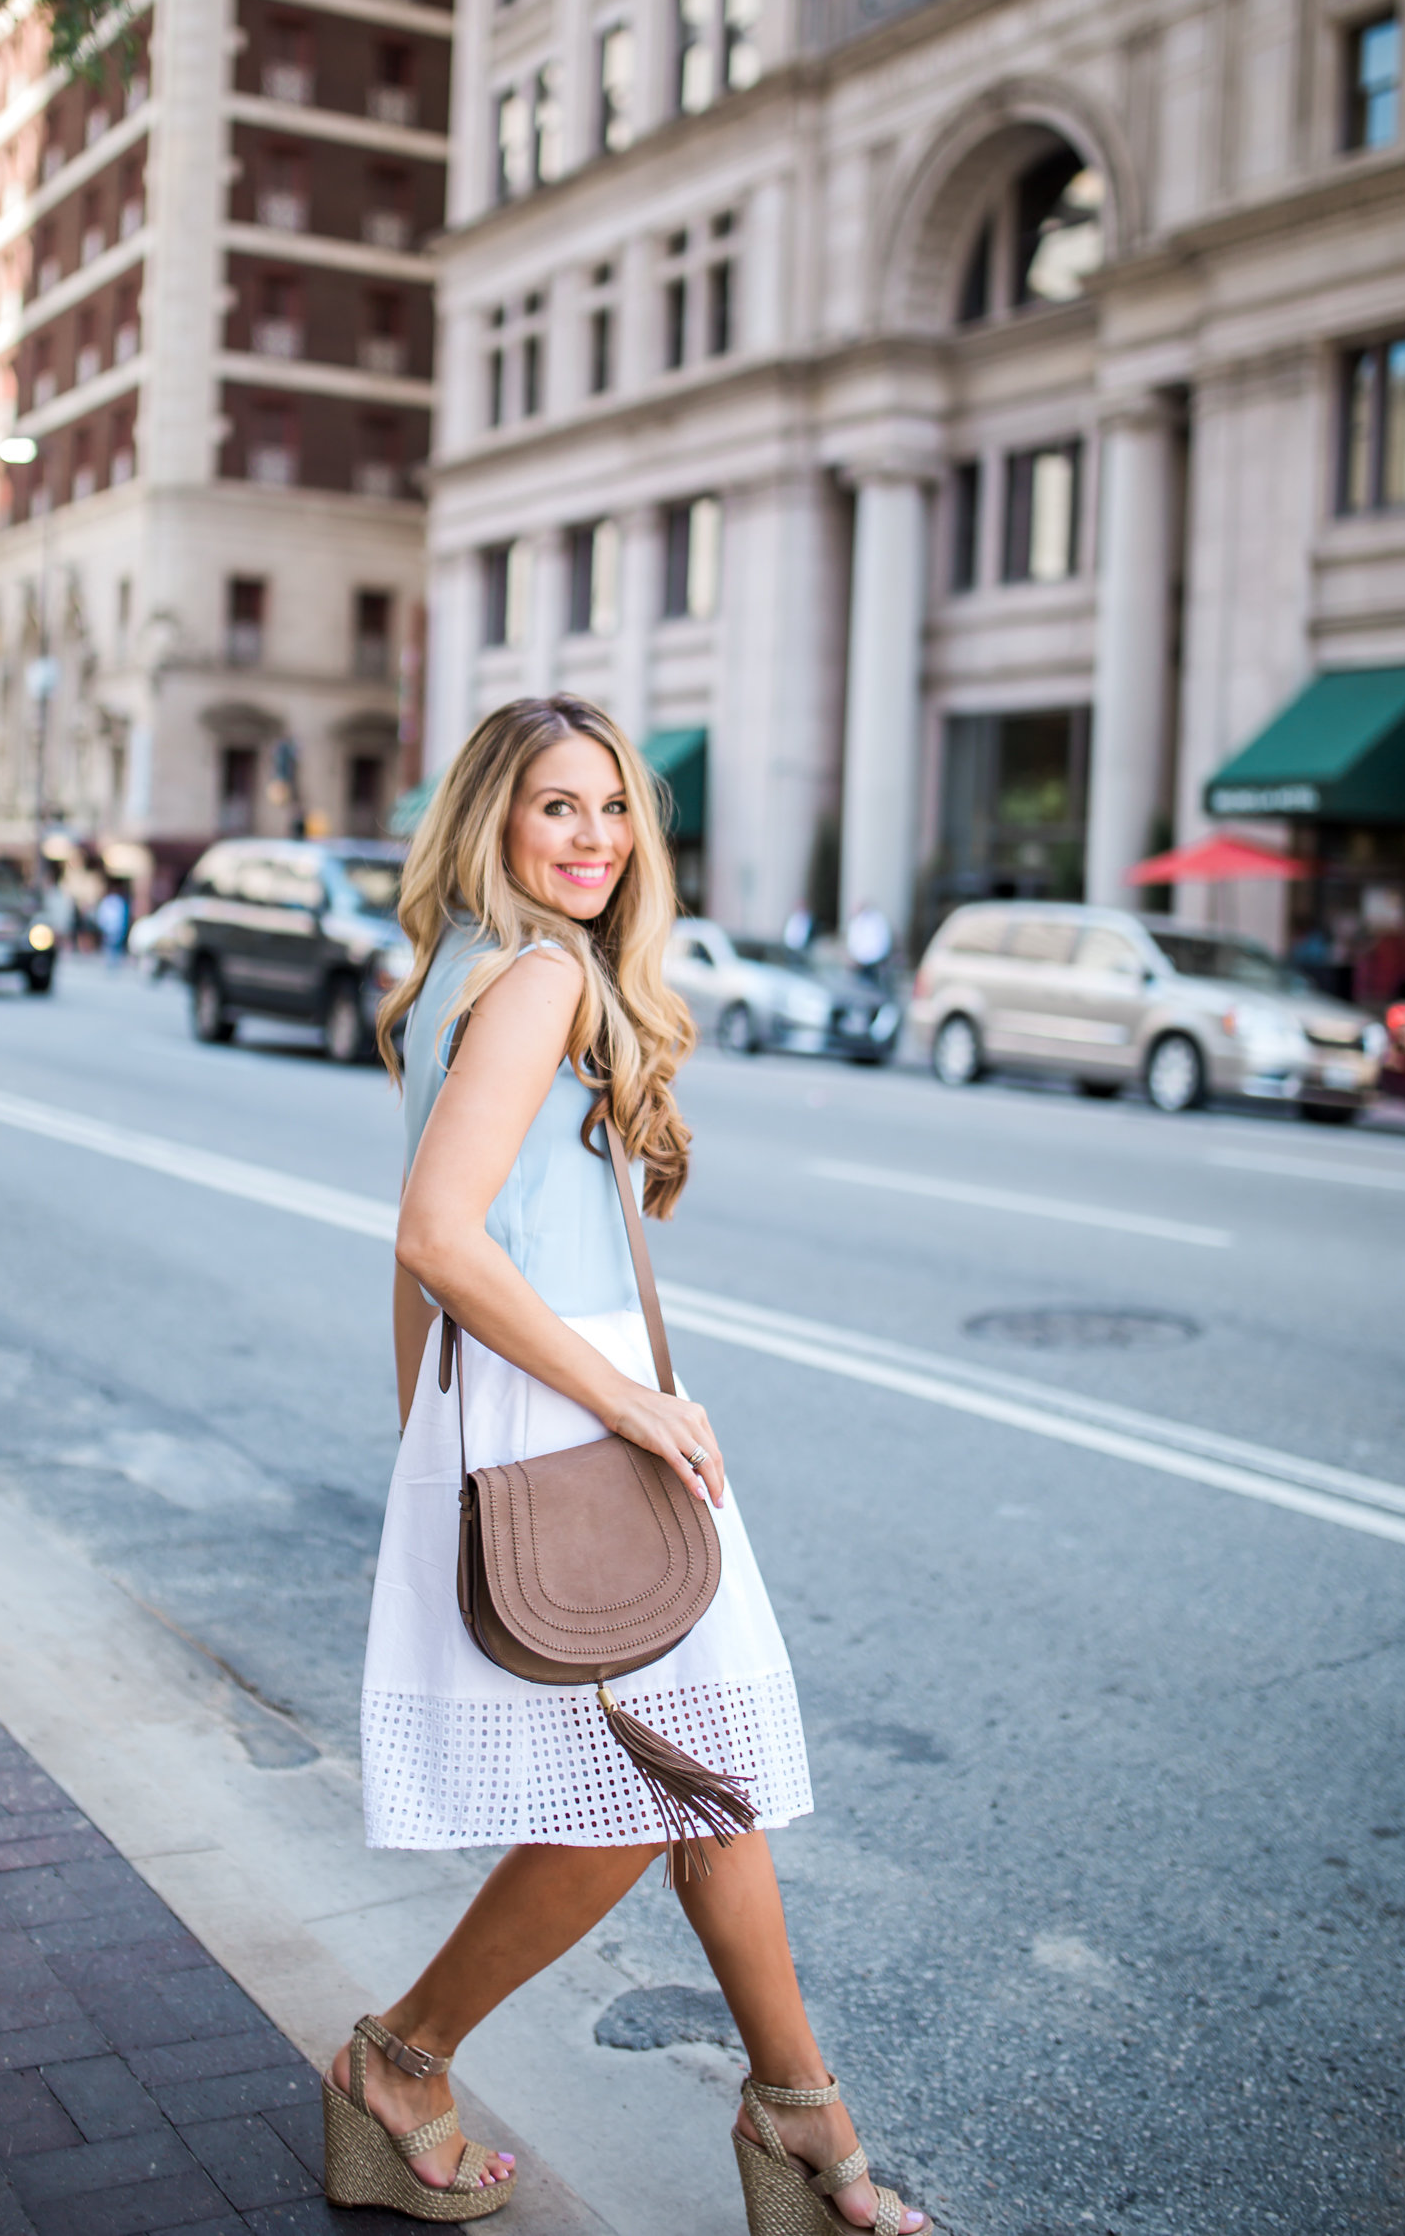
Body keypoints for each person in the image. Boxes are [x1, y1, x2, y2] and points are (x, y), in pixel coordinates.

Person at [321, 695, 930, 2236]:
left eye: (614, 811)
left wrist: (433, 1443)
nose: (592, 839)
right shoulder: (535, 977)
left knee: (704, 1769)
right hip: (574, 1406)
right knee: (639, 1799)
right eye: (556, 808)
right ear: (494, 822)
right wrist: (627, 1404)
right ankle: (401, 2062)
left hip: (525, 1403)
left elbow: (424, 1255)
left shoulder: (470, 965)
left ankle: (804, 2122)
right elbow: (437, 1230)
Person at [845, 899, 893, 976]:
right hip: (862, 960)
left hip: (871, 961)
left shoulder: (874, 921)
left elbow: (877, 943)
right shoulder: (857, 921)